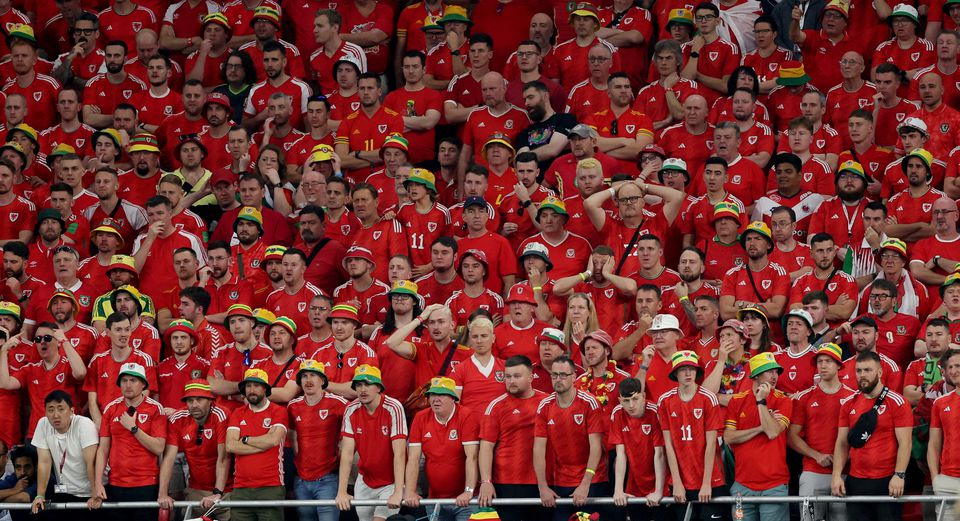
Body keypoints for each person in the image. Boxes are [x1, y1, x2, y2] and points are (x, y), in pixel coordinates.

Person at [832, 351, 913, 521]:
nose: (862, 375)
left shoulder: (897, 402)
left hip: (887, 480)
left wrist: (899, 475)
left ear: (880, 372)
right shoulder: (849, 403)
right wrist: (836, 475)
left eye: (868, 370)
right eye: (859, 371)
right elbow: (841, 443)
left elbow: (905, 443)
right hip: (856, 480)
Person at [534, 354, 607, 521]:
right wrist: (542, 487)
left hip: (593, 481)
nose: (558, 379)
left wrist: (585, 484)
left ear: (574, 376)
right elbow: (538, 448)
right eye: (554, 375)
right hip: (561, 481)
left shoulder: (590, 403)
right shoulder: (545, 406)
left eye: (563, 375)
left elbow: (596, 447)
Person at [788, 343, 855, 521]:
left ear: (839, 365)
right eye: (819, 361)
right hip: (812, 470)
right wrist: (816, 455)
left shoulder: (853, 398)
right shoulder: (804, 397)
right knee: (808, 519)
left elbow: (859, 437)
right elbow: (791, 436)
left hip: (844, 471)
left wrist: (844, 458)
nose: (823, 366)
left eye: (828, 361)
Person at [658, 350, 727, 521]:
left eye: (692, 369)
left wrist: (706, 483)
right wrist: (677, 482)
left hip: (710, 480)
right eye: (683, 369)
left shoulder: (708, 398)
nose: (688, 373)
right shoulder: (665, 401)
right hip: (681, 480)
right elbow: (669, 445)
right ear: (675, 373)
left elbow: (711, 445)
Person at [92, 362, 166, 521]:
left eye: (133, 380)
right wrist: (97, 483)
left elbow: (159, 448)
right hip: (116, 484)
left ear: (143, 384)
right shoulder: (111, 409)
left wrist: (134, 428)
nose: (128, 385)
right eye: (124, 380)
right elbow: (103, 449)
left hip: (146, 484)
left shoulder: (155, 409)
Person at [724, 352, 793, 521]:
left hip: (774, 486)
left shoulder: (783, 400)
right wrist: (759, 428)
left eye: (776, 372)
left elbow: (772, 432)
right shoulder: (737, 401)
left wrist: (761, 402)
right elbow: (728, 438)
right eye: (769, 371)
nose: (774, 376)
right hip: (742, 486)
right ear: (755, 375)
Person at [336, 365, 407, 521]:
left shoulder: (394, 407)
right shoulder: (351, 409)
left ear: (379, 387)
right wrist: (341, 491)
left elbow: (400, 453)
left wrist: (398, 490)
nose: (363, 389)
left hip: (391, 480)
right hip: (365, 479)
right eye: (359, 385)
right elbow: (347, 454)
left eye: (368, 384)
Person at [404, 376, 479, 521]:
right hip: (435, 499)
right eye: (432, 394)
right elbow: (413, 459)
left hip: (465, 500)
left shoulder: (466, 416)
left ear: (453, 398)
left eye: (441, 394)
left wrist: (468, 491)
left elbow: (472, 457)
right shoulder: (420, 418)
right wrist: (410, 491)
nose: (435, 399)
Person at [157, 380, 229, 519]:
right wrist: (163, 494)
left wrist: (217, 493)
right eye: (190, 400)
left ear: (210, 400)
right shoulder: (178, 418)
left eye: (199, 399)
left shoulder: (221, 414)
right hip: (196, 488)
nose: (194, 405)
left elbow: (224, 458)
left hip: (226, 490)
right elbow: (169, 459)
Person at [225, 368, 288, 521]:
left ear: (265, 388)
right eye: (248, 386)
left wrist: (246, 439)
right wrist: (263, 443)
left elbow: (273, 441)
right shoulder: (238, 413)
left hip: (271, 485)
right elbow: (230, 446)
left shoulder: (278, 411)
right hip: (240, 488)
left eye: (256, 385)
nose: (252, 390)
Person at [288, 359, 347, 521]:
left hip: (328, 477)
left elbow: (352, 433)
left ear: (322, 380)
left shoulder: (338, 403)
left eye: (313, 375)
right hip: (301, 478)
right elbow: (291, 437)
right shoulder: (293, 406)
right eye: (304, 376)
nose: (308, 380)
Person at [30, 390, 99, 516]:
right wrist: (40, 495)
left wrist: (95, 494)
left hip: (91, 493)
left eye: (61, 409)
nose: (55, 415)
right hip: (65, 492)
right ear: (45, 412)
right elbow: (44, 462)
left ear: (72, 411)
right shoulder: (43, 424)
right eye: (50, 410)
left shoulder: (84, 424)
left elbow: (91, 462)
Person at [928, 348, 960, 521]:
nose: (954, 371)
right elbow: (934, 444)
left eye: (958, 366)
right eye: (950, 367)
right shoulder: (940, 403)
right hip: (947, 480)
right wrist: (936, 478)